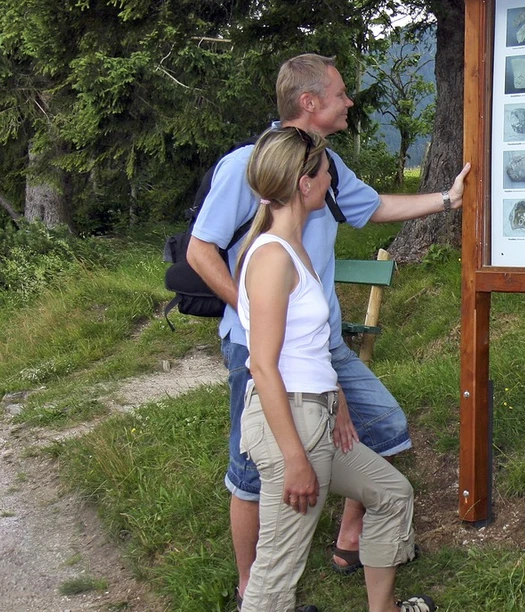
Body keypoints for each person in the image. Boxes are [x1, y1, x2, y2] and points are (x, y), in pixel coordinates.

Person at [186, 53, 471, 597]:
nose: (349, 101)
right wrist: (255, 313)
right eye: (341, 93)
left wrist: (444, 199)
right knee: (253, 478)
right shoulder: (247, 167)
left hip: (320, 348)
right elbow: (203, 251)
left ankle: (350, 543)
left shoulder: (328, 167)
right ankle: (254, 589)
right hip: (265, 351)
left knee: (383, 429)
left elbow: (373, 206)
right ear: (309, 102)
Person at [234, 126, 432, 612]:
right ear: (304, 184)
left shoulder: (295, 249)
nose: (330, 182)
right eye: (327, 173)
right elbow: (262, 363)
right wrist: (295, 457)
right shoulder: (271, 258)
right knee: (276, 574)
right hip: (292, 429)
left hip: (315, 415)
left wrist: (338, 400)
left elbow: (306, 348)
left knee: (390, 492)